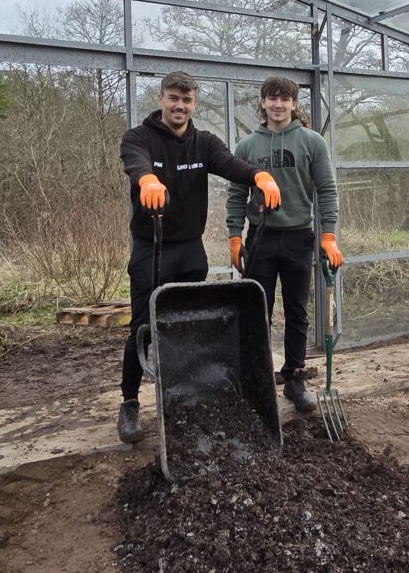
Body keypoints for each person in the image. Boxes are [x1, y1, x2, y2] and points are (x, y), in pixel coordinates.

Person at [117, 70, 281, 444]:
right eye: (174, 98)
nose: (180, 105)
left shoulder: (204, 142)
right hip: (151, 247)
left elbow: (228, 163)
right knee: (142, 326)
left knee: (190, 325)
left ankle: (185, 397)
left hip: (191, 249)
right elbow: (135, 161)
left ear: (194, 103)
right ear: (161, 99)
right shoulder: (138, 137)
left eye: (187, 100)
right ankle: (129, 402)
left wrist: (259, 176)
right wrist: (146, 180)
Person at [226, 76, 342, 413]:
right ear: (262, 103)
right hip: (260, 238)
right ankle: (257, 377)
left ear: (294, 104)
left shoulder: (311, 142)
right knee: (256, 310)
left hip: (297, 238)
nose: (278, 105)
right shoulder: (247, 147)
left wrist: (329, 236)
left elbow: (327, 190)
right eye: (271, 98)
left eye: (285, 99)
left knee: (296, 310)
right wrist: (235, 236)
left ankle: (294, 377)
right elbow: (236, 194)